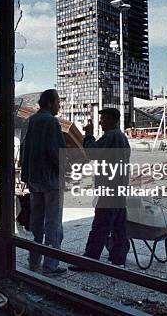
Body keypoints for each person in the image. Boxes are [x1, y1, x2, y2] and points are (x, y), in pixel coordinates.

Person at [70, 107, 130, 270]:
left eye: (103, 119)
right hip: (119, 188)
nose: (100, 122)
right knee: (118, 227)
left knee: (100, 226)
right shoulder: (122, 137)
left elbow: (92, 153)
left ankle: (90, 261)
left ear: (113, 120)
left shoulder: (110, 136)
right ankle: (118, 260)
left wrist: (88, 134)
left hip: (109, 189)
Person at [21, 89, 67, 275]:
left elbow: (24, 150)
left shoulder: (30, 121)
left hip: (34, 179)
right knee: (53, 223)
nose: (59, 106)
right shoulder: (51, 121)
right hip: (50, 180)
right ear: (49, 103)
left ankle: (33, 261)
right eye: (57, 102)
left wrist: (26, 176)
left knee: (36, 221)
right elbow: (56, 152)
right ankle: (50, 266)